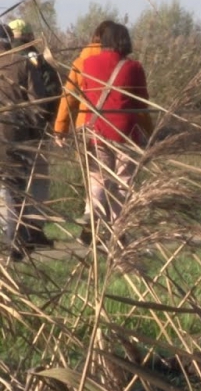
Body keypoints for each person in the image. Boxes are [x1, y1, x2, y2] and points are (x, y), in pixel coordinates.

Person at [79, 22, 154, 236]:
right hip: (126, 132)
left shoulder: (89, 63)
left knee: (98, 176)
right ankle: (118, 227)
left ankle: (93, 213)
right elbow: (142, 102)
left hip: (97, 129)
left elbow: (84, 94)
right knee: (123, 180)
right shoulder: (133, 67)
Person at [0, 20, 61, 260]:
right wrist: (34, 128)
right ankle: (14, 240)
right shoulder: (23, 64)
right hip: (15, 134)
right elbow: (39, 100)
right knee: (14, 188)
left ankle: (13, 238)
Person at [53, 20, 115, 142]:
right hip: (115, 128)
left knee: (86, 160)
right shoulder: (121, 63)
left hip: (85, 126)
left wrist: (60, 129)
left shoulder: (80, 62)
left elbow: (68, 98)